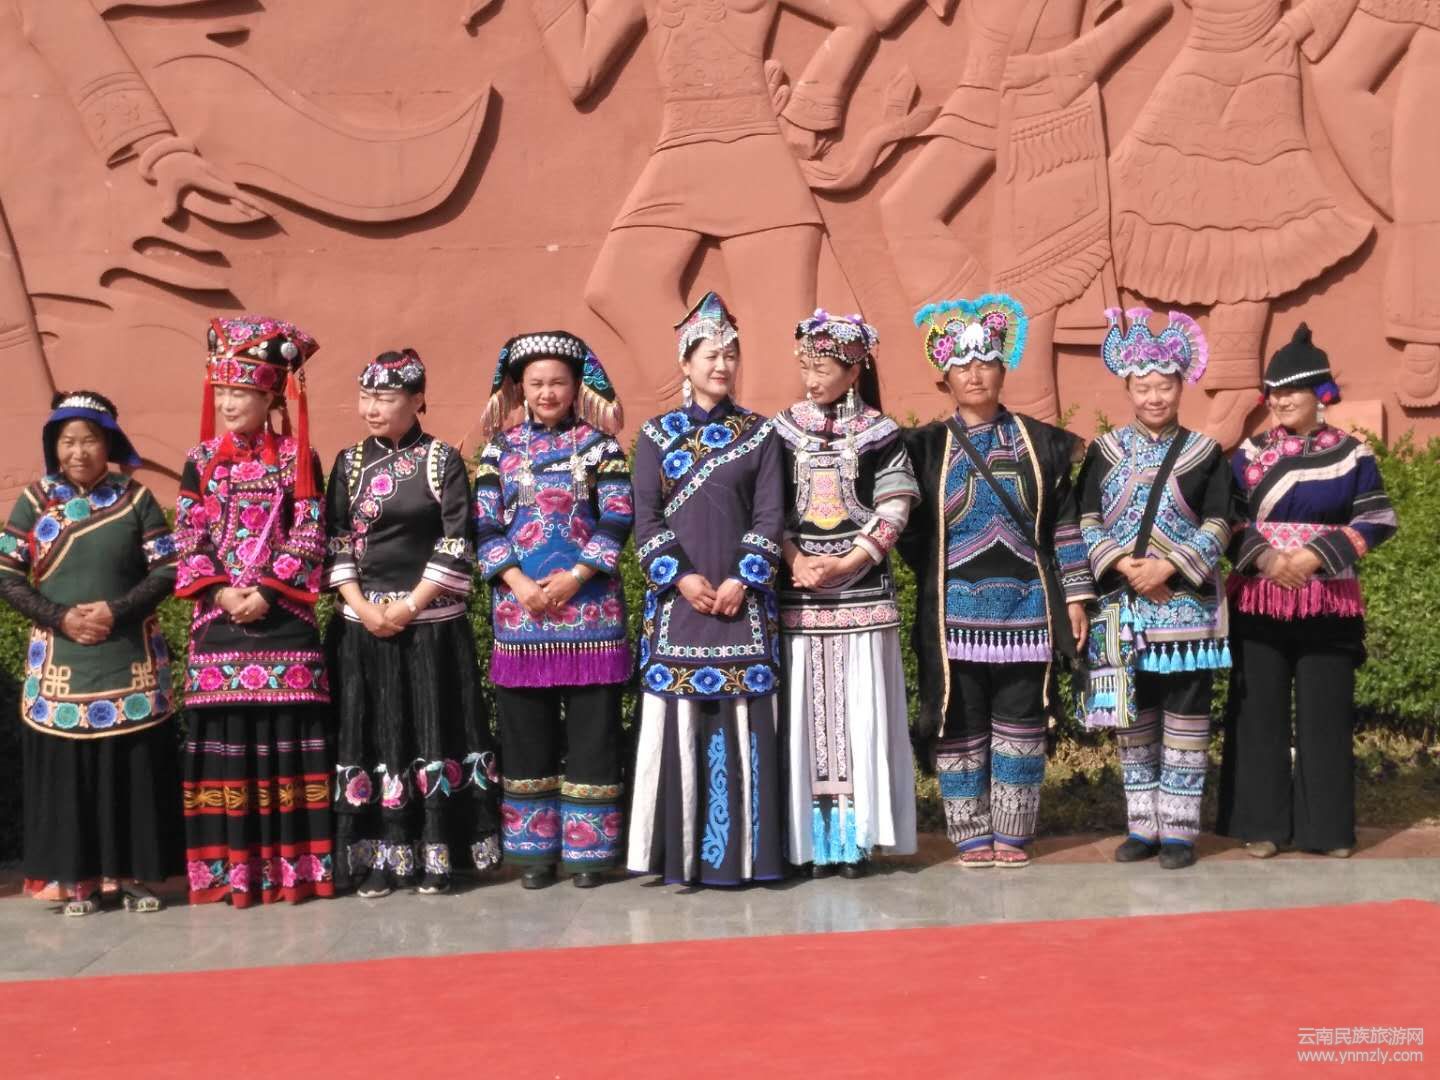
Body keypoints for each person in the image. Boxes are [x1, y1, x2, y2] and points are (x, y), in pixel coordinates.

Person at [898, 294, 1095, 868]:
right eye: (962, 365)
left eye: (985, 362)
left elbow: (1063, 523)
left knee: (1021, 721)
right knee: (958, 719)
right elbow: (909, 528)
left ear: (1003, 370)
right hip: (952, 613)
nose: (975, 374)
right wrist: (935, 572)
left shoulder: (1043, 444)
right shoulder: (923, 448)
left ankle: (1014, 831)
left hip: (1028, 609)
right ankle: (968, 831)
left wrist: (1075, 597)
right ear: (945, 379)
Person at [325, 349, 500, 898]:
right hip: (361, 626)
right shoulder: (347, 463)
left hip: (430, 626)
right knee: (372, 735)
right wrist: (363, 606)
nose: (372, 409)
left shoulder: (441, 460)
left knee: (431, 730)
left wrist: (408, 607)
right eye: (366, 397)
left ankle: (439, 853)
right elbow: (336, 541)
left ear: (418, 399)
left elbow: (456, 541)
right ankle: (377, 857)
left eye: (385, 398)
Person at [1218, 324, 1397, 858]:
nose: (1281, 401)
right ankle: (1263, 825)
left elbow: (1378, 518)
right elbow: (1226, 518)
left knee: (1325, 713)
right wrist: (1268, 559)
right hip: (1260, 597)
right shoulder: (1248, 455)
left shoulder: (1353, 455)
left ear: (1320, 393)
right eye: (1274, 392)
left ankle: (1327, 831)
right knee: (1259, 712)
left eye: (1292, 391)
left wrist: (1315, 556)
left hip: (1328, 599)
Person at [627, 292, 787, 886]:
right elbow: (645, 519)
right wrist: (682, 576)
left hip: (743, 606)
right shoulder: (655, 435)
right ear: (685, 363)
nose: (722, 365)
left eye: (730, 355)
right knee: (680, 728)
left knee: (744, 727)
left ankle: (748, 858)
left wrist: (743, 578)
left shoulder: (760, 435)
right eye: (710, 355)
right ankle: (681, 858)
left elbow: (770, 516)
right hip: (679, 607)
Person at [173, 316, 334, 906]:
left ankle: (295, 871)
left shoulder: (298, 457)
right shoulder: (200, 459)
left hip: (284, 621)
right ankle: (230, 873)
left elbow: (311, 532)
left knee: (285, 749)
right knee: (228, 752)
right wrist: (220, 592)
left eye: (240, 392)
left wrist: (266, 591)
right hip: (218, 623)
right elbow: (187, 535)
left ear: (270, 397)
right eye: (222, 391)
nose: (228, 403)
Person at [0, 391, 181, 915]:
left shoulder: (136, 498)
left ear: (109, 444)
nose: (78, 452)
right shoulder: (34, 500)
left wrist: (116, 611)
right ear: (54, 447)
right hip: (61, 663)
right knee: (69, 774)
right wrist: (60, 617)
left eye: (89, 440)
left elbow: (168, 569)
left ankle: (132, 875)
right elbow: (7, 574)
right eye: (67, 441)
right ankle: (74, 878)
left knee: (129, 770)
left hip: (128, 657)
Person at [473, 331, 631, 889]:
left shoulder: (602, 447)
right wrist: (518, 582)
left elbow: (618, 516)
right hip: (522, 617)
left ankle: (590, 855)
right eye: (536, 383)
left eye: (557, 383)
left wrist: (576, 576)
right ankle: (534, 854)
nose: (547, 393)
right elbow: (484, 523)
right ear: (520, 388)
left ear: (576, 386)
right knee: (525, 735)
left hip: (590, 616)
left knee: (593, 736)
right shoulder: (498, 450)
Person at [1076, 309, 1232, 870]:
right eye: (1143, 387)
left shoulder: (1206, 453)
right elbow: (1085, 519)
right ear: (1128, 389)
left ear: (1180, 385)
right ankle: (1142, 826)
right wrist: (1122, 563)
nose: (1154, 396)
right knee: (1132, 716)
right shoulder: (1104, 451)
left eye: (1164, 385)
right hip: (1122, 608)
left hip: (1185, 609)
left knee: (1187, 720)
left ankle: (1181, 832)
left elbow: (1221, 522)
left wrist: (1169, 567)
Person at [774, 310, 919, 877]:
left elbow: (894, 509)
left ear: (854, 371)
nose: (812, 380)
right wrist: (795, 560)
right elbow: (768, 508)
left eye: (824, 369)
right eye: (806, 368)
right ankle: (810, 842)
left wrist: (849, 562)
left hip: (862, 597)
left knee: (861, 716)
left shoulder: (881, 434)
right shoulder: (783, 430)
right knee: (806, 719)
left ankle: (856, 841)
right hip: (800, 593)